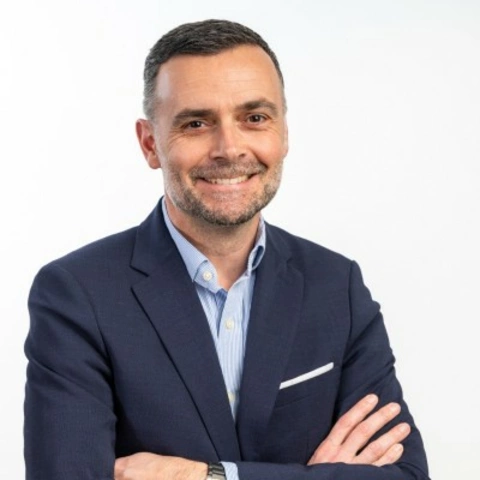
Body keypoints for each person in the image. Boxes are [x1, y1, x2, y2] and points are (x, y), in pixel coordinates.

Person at [24, 19, 429, 480]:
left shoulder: (337, 286)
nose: (229, 148)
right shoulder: (77, 295)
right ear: (150, 143)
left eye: (254, 118)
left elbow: (407, 475)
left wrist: (208, 476)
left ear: (284, 133)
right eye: (196, 123)